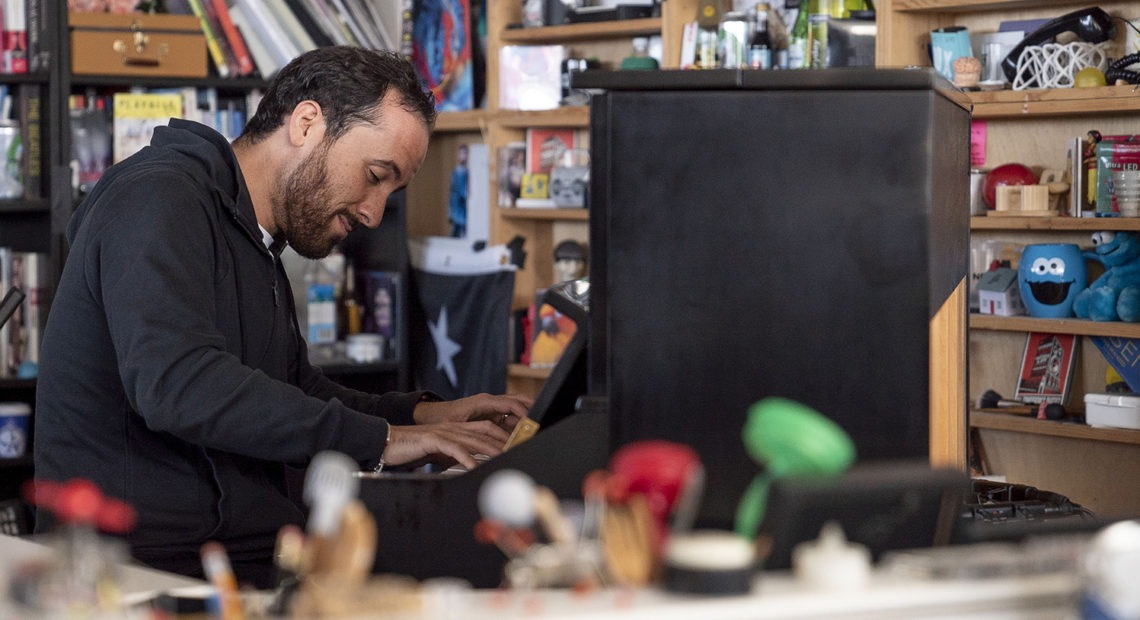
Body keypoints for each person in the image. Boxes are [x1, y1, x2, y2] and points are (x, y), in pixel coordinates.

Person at [33, 46, 531, 587]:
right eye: (374, 174)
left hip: (236, 559)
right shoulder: (157, 197)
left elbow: (292, 390)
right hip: (138, 571)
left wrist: (424, 418)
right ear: (307, 123)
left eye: (391, 189)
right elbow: (180, 385)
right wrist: (385, 441)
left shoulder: (256, 238)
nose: (373, 212)